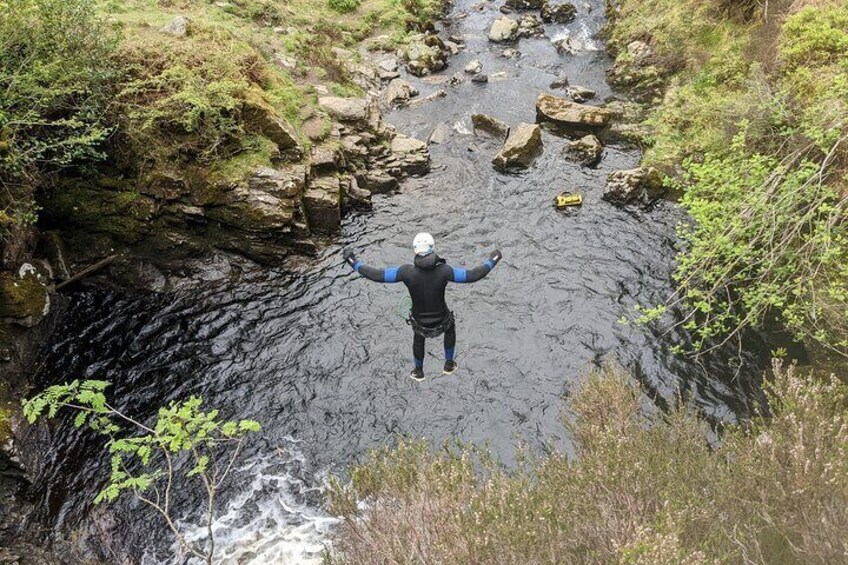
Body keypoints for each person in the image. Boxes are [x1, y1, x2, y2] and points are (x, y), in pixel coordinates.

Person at [343, 233, 502, 381]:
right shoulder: (445, 271)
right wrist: (493, 259)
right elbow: (473, 275)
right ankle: (449, 364)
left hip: (420, 325)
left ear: (415, 250)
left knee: (418, 337)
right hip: (442, 322)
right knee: (450, 327)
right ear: (433, 248)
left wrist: (353, 261)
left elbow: (377, 275)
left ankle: (418, 371)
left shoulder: (406, 272)